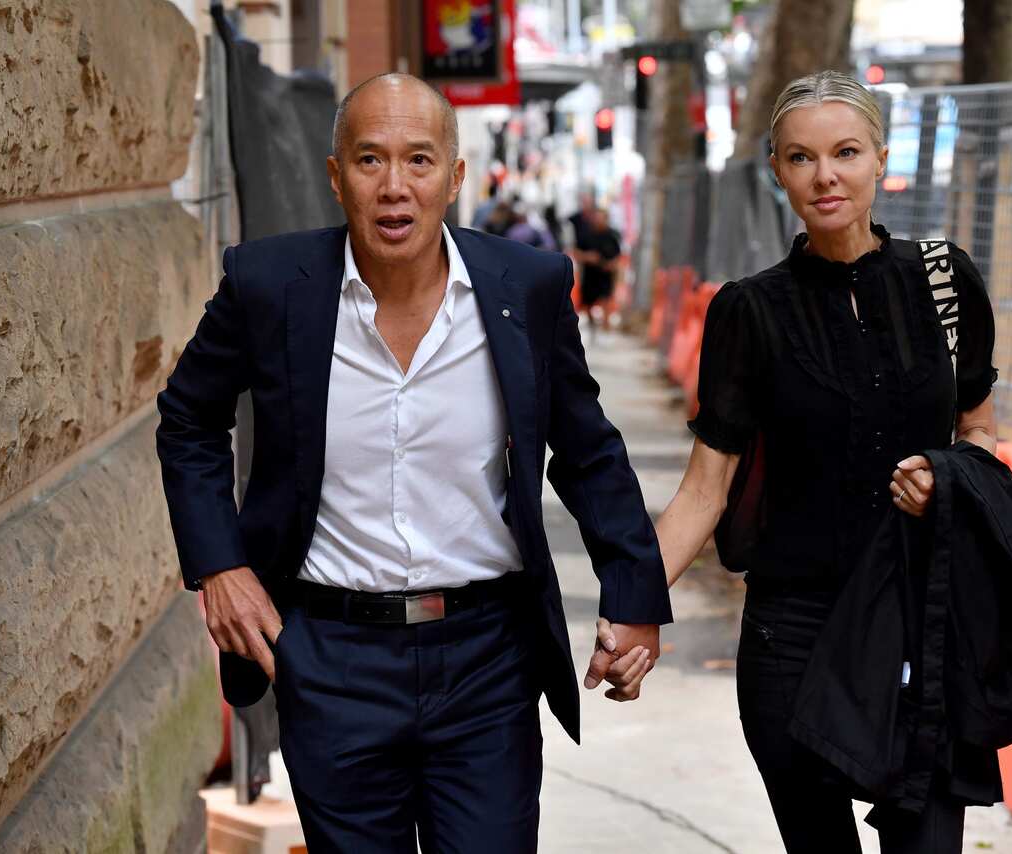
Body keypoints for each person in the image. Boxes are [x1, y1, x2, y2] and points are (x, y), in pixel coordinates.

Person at [156, 72, 671, 853]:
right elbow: (188, 418)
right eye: (370, 161)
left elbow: (590, 449)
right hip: (331, 657)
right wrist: (219, 566)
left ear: (455, 177)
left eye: (420, 161)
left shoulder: (524, 288)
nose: (395, 187)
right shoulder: (270, 285)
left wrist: (633, 594)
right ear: (336, 178)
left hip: (485, 657)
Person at [601, 71, 1000, 852]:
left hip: (921, 620)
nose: (826, 176)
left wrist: (947, 477)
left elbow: (981, 433)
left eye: (846, 152)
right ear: (778, 171)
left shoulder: (945, 282)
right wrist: (630, 609)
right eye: (801, 158)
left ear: (880, 159)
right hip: (795, 634)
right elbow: (704, 491)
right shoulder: (748, 311)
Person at [574, 207, 622, 331]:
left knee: (606, 298)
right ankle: (592, 324)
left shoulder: (612, 235)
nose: (598, 221)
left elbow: (618, 255)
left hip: (606, 273)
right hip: (590, 274)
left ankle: (606, 327)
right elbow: (576, 252)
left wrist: (612, 264)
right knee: (588, 301)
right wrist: (587, 257)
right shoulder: (585, 235)